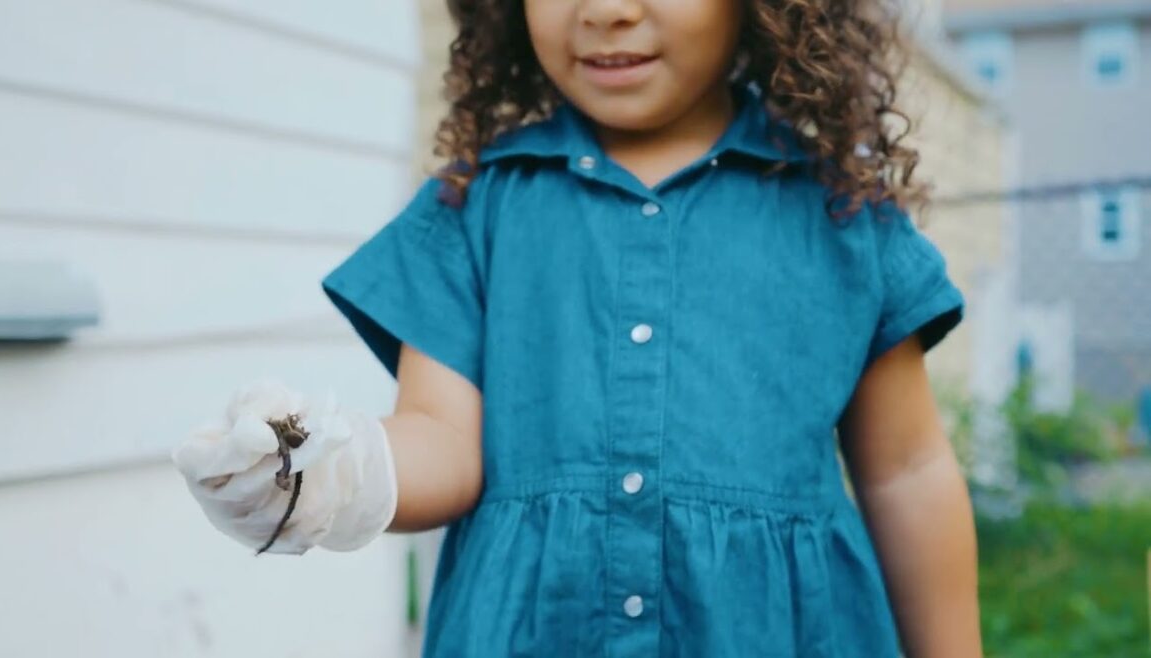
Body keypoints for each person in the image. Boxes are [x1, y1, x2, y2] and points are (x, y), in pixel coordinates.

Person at [173, 0, 984, 655]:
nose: (604, 11)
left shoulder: (841, 213)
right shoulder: (476, 206)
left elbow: (906, 471)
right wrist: (333, 473)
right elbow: (443, 442)